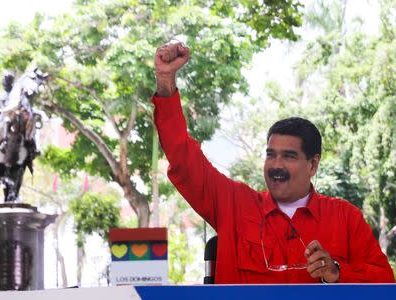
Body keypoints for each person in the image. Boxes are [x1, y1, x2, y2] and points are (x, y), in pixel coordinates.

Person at [152, 42, 395, 283]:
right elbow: (182, 156)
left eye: (288, 156)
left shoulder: (345, 218)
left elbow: (384, 282)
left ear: (312, 164)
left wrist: (337, 272)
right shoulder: (232, 204)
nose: (276, 165)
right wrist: (165, 79)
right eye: (271, 154)